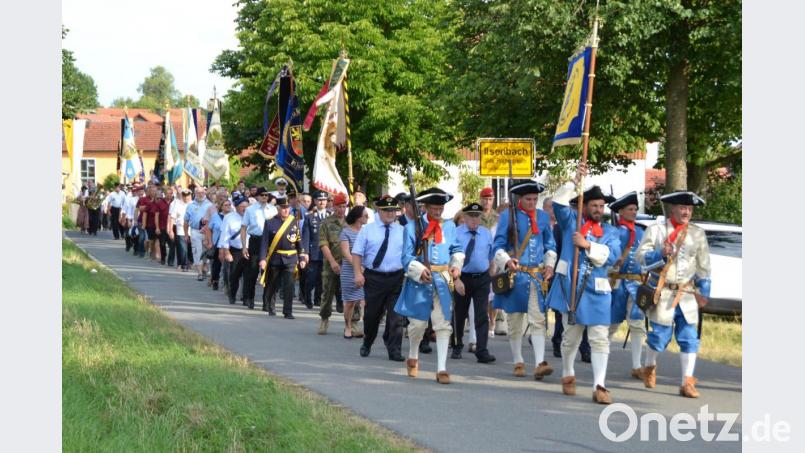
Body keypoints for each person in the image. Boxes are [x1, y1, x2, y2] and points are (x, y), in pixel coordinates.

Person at [546, 169, 621, 405]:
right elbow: (557, 203)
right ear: (585, 206)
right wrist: (574, 181)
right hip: (572, 289)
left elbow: (612, 255)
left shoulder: (610, 231)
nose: (599, 210)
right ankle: (568, 372)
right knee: (571, 339)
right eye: (594, 206)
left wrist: (587, 245)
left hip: (598, 291)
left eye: (601, 206)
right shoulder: (571, 222)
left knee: (599, 339)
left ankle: (600, 385)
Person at [636, 191, 711, 398]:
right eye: (682, 208)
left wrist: (704, 291)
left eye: (689, 209)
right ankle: (649, 366)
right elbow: (640, 258)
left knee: (689, 338)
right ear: (672, 209)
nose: (686, 212)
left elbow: (704, 266)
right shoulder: (657, 230)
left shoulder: (697, 233)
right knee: (659, 337)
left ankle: (687, 381)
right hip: (664, 292)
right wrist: (660, 253)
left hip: (686, 293)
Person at [394, 188, 465, 384]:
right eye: (434, 208)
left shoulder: (449, 227)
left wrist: (456, 266)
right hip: (419, 281)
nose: (438, 212)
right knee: (417, 325)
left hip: (442, 279)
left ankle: (441, 368)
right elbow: (406, 258)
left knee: (443, 325)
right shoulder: (412, 227)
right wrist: (419, 270)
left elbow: (457, 249)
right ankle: (413, 353)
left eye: (440, 208)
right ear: (425, 207)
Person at [492, 180, 557, 381]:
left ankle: (539, 363)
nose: (532, 202)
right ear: (520, 199)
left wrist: (549, 265)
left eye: (535, 199)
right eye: (528, 199)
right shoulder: (507, 216)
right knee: (515, 322)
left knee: (538, 320)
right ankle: (518, 361)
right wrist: (506, 260)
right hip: (516, 276)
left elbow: (550, 244)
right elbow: (497, 246)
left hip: (536, 276)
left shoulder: (543, 217)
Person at [352, 195, 406, 361]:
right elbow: (357, 253)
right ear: (378, 210)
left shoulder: (402, 230)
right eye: (386, 210)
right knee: (371, 316)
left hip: (396, 278)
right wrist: (357, 273)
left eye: (393, 210)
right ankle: (368, 341)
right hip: (374, 278)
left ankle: (394, 350)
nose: (390, 213)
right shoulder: (368, 230)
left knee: (396, 317)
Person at [607, 191, 648, 379]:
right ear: (621, 212)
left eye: (635, 209)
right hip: (618, 283)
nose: (633, 212)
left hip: (636, 284)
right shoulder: (614, 232)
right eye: (630, 209)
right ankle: (602, 358)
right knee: (611, 324)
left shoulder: (641, 231)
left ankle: (637, 366)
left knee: (638, 324)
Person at [545, 196, 592, 361]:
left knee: (585, 316)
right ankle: (558, 341)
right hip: (564, 275)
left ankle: (585, 348)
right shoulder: (563, 226)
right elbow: (556, 248)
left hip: (585, 279)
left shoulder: (594, 227)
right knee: (562, 314)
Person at [452, 202, 496, 364]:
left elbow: (490, 254)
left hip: (482, 278)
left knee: (481, 315)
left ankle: (482, 350)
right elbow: (451, 257)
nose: (474, 219)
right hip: (462, 277)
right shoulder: (456, 233)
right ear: (464, 217)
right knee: (459, 314)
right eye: (471, 216)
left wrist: (491, 270)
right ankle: (457, 345)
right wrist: (456, 279)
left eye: (477, 216)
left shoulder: (485, 233)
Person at [259, 196, 307, 318]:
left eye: (287, 208)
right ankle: (271, 306)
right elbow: (264, 242)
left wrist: (301, 257)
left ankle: (288, 311)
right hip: (275, 258)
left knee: (289, 286)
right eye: (283, 208)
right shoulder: (270, 222)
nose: (286, 210)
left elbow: (298, 241)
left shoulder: (293, 221)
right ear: (278, 208)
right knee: (272, 284)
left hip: (290, 258)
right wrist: (263, 259)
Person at [317, 193, 354, 335]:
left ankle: (353, 323)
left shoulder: (350, 223)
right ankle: (324, 319)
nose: (342, 209)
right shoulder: (326, 223)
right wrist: (332, 262)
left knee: (352, 294)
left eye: (344, 206)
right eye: (339, 206)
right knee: (327, 293)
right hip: (331, 264)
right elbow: (323, 244)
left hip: (348, 264)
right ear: (334, 206)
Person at [240, 187, 277, 309]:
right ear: (258, 196)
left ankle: (267, 302)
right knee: (252, 271)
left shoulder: (273, 210)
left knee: (269, 273)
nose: (264, 197)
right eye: (262, 195)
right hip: (255, 240)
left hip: (270, 242)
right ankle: (249, 298)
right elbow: (244, 228)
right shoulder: (250, 210)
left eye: (266, 195)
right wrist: (244, 246)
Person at [339, 205, 370, 338]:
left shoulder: (367, 231)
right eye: (365, 215)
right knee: (350, 301)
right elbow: (346, 253)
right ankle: (348, 326)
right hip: (349, 270)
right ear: (358, 217)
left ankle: (367, 327)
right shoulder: (345, 232)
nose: (368, 217)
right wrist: (358, 267)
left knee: (366, 300)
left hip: (367, 269)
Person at [480, 187, 506, 338]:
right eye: (484, 199)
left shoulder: (498, 217)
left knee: (494, 291)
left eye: (490, 199)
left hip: (495, 257)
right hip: (481, 256)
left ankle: (493, 322)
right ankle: (483, 321)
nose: (487, 202)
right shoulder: (476, 215)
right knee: (483, 293)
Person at [219, 196, 249, 304]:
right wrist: (226, 252)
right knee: (234, 275)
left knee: (248, 275)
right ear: (236, 207)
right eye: (242, 207)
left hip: (250, 249)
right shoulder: (229, 218)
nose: (245, 209)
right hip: (236, 250)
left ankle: (246, 298)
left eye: (246, 206)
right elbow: (225, 236)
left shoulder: (251, 216)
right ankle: (232, 295)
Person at [303, 191, 329, 309]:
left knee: (323, 279)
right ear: (315, 201)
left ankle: (318, 299)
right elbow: (306, 236)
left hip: (327, 253)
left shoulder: (331, 216)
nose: (322, 202)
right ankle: (307, 297)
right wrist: (305, 253)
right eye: (319, 200)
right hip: (314, 253)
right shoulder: (309, 217)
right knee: (311, 278)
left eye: (324, 200)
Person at [184, 186, 213, 280]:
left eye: (202, 193)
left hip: (207, 232)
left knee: (206, 251)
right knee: (197, 251)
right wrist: (185, 234)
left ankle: (205, 267)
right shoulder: (190, 205)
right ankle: (199, 272)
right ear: (195, 194)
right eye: (198, 193)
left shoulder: (210, 205)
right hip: (195, 231)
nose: (200, 194)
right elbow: (186, 221)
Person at [207, 197, 231, 290]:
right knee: (216, 264)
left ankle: (227, 281)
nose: (228, 206)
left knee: (228, 264)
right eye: (226, 205)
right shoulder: (215, 217)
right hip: (217, 243)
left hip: (229, 244)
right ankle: (215, 280)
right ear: (221, 207)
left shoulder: (233, 216)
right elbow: (209, 229)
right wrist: (210, 241)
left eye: (229, 205)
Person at [168, 189, 191, 270]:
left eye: (188, 196)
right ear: (182, 196)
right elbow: (172, 218)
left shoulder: (193, 205)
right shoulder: (177, 205)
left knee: (190, 248)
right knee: (182, 248)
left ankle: (187, 262)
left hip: (192, 230)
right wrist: (170, 230)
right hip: (181, 229)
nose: (186, 198)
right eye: (184, 196)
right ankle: (184, 265)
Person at [155, 186, 173, 265]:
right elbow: (156, 215)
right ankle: (163, 257)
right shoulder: (160, 203)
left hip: (171, 227)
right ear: (164, 194)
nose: (169, 195)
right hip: (162, 226)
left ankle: (170, 261)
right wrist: (157, 227)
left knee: (172, 244)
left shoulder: (174, 203)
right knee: (162, 244)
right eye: (167, 193)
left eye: (170, 193)